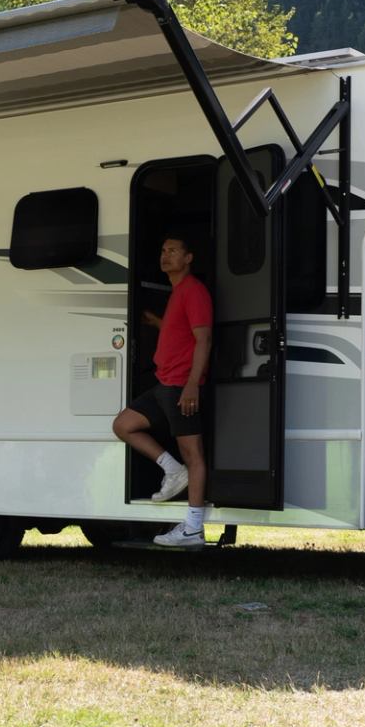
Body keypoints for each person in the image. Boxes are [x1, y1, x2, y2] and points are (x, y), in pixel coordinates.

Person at [111, 233, 212, 548]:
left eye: (173, 250)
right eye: (163, 250)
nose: (165, 255)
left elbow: (203, 339)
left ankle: (193, 527)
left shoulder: (194, 291)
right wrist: (158, 323)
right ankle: (171, 469)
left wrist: (193, 383)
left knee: (193, 455)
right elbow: (179, 332)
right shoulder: (177, 293)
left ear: (188, 257)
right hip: (164, 384)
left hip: (182, 384)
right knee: (124, 424)